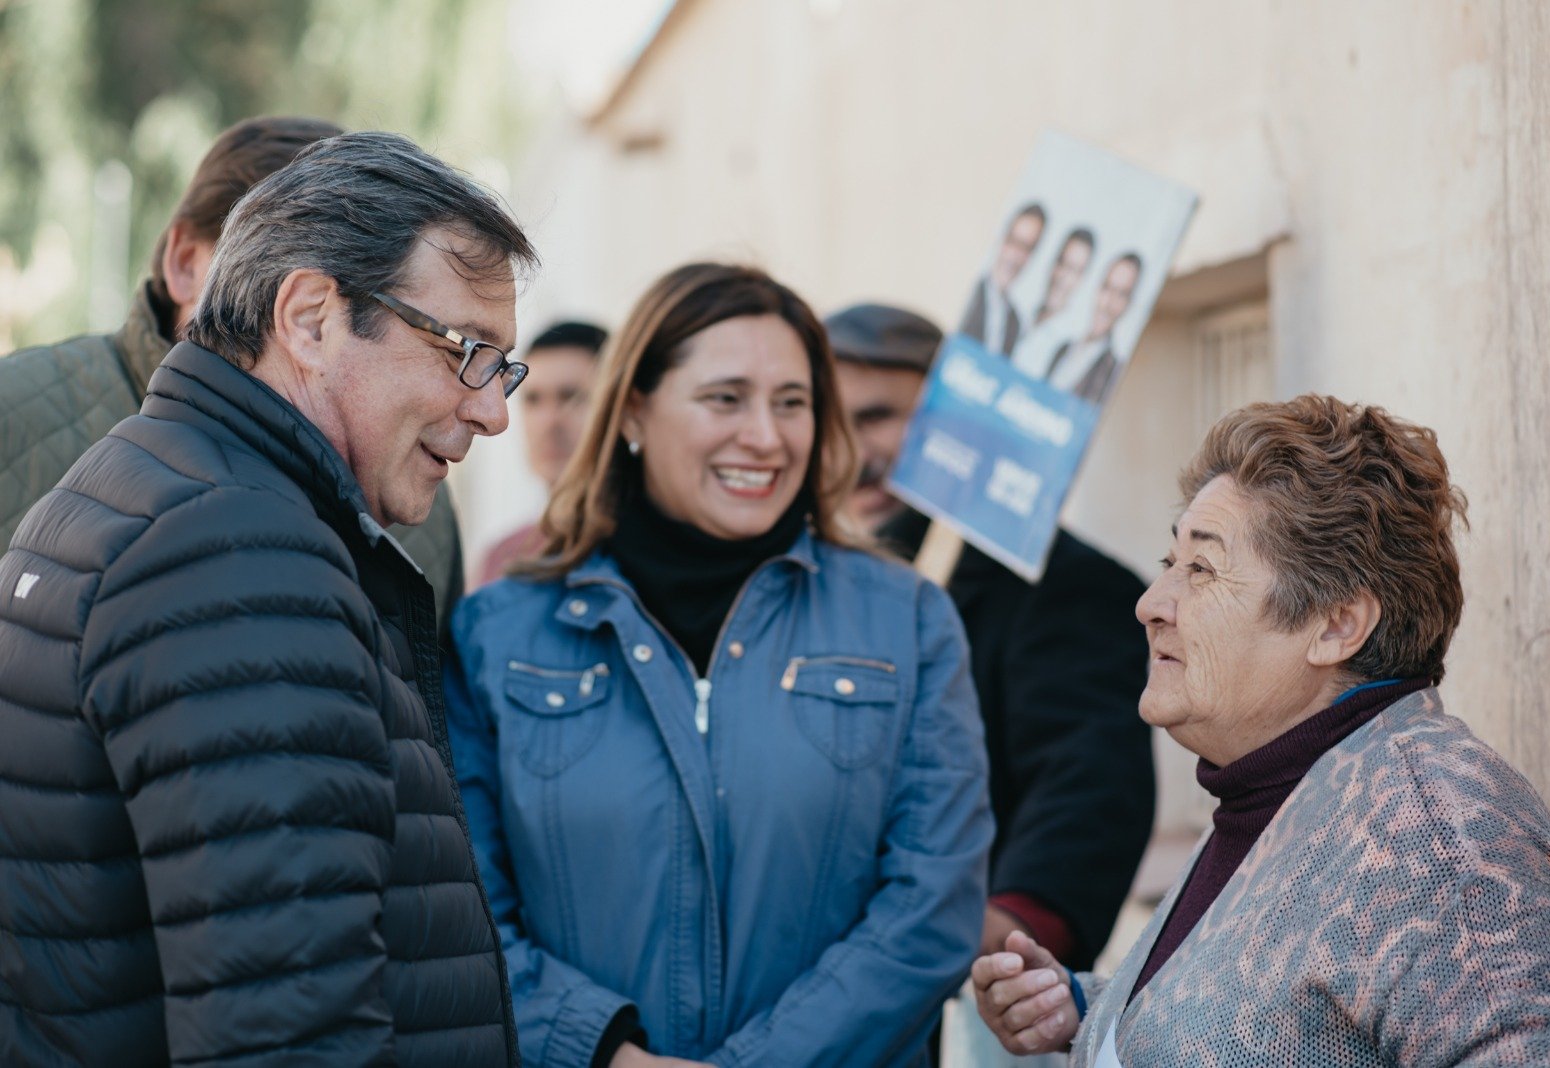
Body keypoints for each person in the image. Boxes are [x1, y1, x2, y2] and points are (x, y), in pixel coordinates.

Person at [0, 131, 537, 1067]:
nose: (493, 409)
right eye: (467, 351)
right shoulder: (234, 556)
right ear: (311, 318)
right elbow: (287, 1033)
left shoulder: (150, 487)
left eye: (504, 366)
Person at [446, 263, 993, 1067]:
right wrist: (606, 1055)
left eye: (793, 403)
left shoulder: (907, 621)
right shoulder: (496, 633)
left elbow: (932, 906)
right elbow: (460, 909)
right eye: (726, 398)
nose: (767, 437)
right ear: (634, 409)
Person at [972, 396, 1550, 1065]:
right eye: (1168, 562)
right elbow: (1271, 1015)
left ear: (1336, 625)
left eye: (1201, 569)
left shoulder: (1433, 832)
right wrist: (1092, 1011)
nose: (1151, 604)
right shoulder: (1278, 790)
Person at [0, 115, 467, 630]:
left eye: (342, 285)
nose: (300, 322)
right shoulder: (15, 412)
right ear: (183, 263)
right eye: (252, 264)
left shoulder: (413, 492)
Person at [828, 302, 1153, 973]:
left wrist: (1009, 931)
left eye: (879, 417)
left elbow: (1086, 790)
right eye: (830, 422)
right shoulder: (804, 580)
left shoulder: (1064, 585)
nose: (854, 454)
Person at [475, 319, 607, 586]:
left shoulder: (655, 549)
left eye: (571, 397)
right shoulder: (502, 561)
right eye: (533, 400)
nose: (549, 422)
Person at [1043, 252, 1140, 403]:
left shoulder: (1113, 373)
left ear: (1129, 304)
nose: (1107, 303)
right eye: (1107, 288)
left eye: (1121, 294)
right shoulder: (1063, 349)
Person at [958, 202, 1046, 358]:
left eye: (1026, 248)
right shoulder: (970, 291)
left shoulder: (1015, 323)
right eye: (1013, 242)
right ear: (1003, 239)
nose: (1015, 255)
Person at [1031, 227, 1096, 328]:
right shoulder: (1024, 316)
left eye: (1073, 270)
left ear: (1081, 279)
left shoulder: (1071, 335)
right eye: (1061, 262)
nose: (1062, 275)